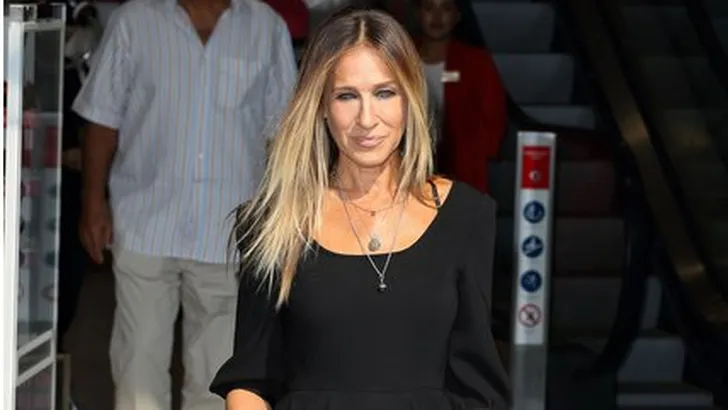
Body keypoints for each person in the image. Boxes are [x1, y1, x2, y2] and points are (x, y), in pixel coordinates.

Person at [209, 7, 510, 410]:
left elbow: (478, 389)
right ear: (320, 105)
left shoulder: (466, 217)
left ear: (411, 99)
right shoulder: (273, 223)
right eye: (346, 96)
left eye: (385, 93)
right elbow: (250, 380)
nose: (367, 119)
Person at [71, 0, 297, 408]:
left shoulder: (266, 28)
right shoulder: (134, 21)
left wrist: (284, 218)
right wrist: (92, 204)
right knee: (138, 364)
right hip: (144, 223)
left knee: (217, 374)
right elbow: (102, 118)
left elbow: (284, 137)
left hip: (228, 233)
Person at [416, 0, 506, 194]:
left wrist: (482, 152)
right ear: (418, 13)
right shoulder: (402, 56)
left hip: (462, 164)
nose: (437, 17)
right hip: (412, 159)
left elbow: (494, 112)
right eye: (429, 8)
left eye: (446, 9)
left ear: (457, 16)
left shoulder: (476, 61)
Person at [57, 0, 103, 352]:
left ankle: (53, 353)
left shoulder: (89, 37)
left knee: (65, 279)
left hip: (71, 186)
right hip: (32, 179)